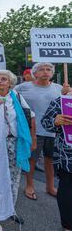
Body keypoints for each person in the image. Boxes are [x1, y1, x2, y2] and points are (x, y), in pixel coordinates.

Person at [0, 70, 35, 224]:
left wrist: (33, 138)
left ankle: (11, 208)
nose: (0, 81)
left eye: (3, 79)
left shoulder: (16, 96)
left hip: (14, 141)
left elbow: (31, 115)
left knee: (13, 176)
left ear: (10, 82)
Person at [15, 62, 70, 200]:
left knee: (50, 160)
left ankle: (50, 186)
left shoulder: (59, 88)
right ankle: (29, 185)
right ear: (35, 73)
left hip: (55, 131)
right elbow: (9, 96)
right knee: (32, 160)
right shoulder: (23, 87)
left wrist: (67, 93)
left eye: (48, 69)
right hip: (34, 131)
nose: (45, 72)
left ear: (52, 73)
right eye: (41, 69)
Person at [41, 97, 72, 231]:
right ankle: (68, 224)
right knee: (67, 187)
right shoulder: (62, 101)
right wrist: (55, 121)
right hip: (68, 154)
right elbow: (45, 122)